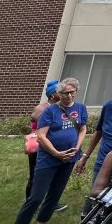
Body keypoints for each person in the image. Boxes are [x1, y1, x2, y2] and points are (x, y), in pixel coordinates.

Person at [0, 78, 87, 224]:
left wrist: (77, 148)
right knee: (36, 197)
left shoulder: (80, 108)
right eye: (64, 93)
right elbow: (41, 135)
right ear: (58, 94)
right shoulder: (50, 111)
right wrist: (56, 153)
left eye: (72, 92)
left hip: (68, 160)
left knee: (54, 197)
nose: (69, 96)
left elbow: (83, 128)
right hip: (49, 160)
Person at [25, 80, 66, 211]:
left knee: (53, 176)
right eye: (61, 91)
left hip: (52, 147)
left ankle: (50, 204)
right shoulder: (42, 108)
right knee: (35, 176)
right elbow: (39, 121)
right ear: (53, 94)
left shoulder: (60, 107)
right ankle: (30, 205)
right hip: (39, 147)